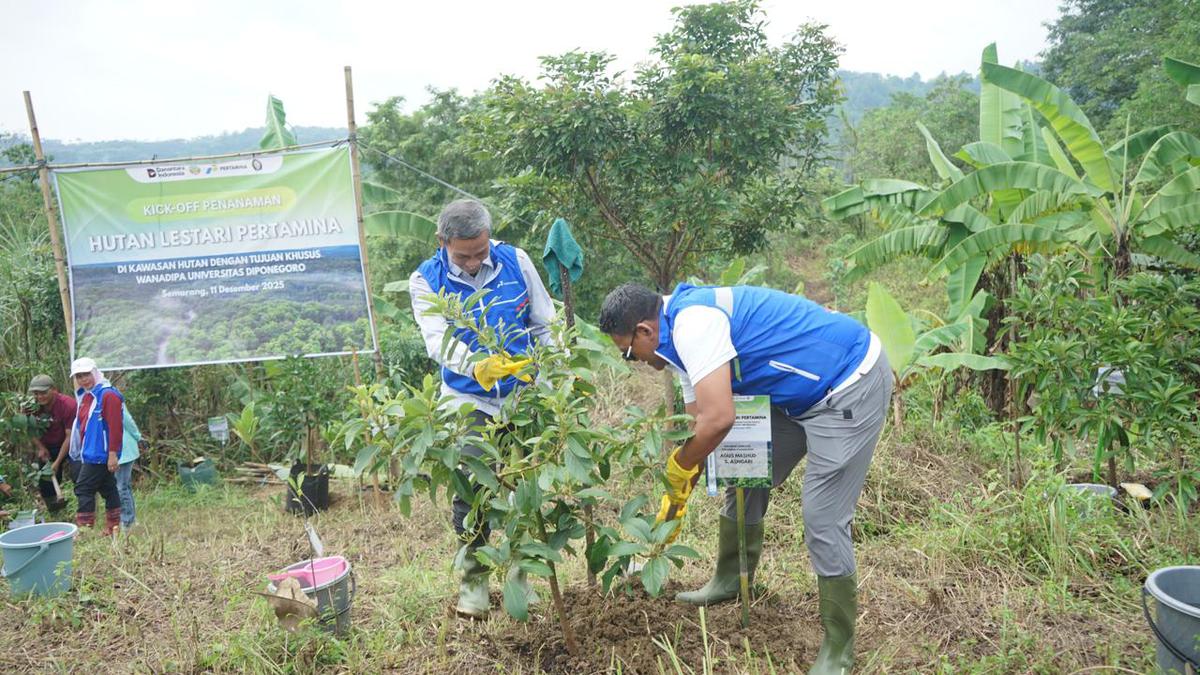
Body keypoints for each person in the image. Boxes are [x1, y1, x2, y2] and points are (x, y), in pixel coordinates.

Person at [599, 282, 892, 675]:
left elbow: (719, 419)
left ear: (645, 331)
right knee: (744, 467)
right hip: (797, 398)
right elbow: (698, 428)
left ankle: (838, 649)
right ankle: (730, 580)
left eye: (628, 352)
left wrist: (680, 462)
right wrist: (674, 499)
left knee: (822, 517)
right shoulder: (678, 344)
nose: (630, 361)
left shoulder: (694, 326)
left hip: (847, 384)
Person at [408, 199, 555, 618]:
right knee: (471, 487)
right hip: (467, 398)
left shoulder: (516, 260)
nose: (474, 262)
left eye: (480, 252)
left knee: (524, 486)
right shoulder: (425, 279)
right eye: (463, 255)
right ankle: (474, 580)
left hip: (523, 394)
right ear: (442, 242)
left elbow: (543, 322)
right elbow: (437, 341)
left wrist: (552, 374)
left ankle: (519, 577)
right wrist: (476, 365)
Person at [67, 357, 124, 535]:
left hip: (100, 453)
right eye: (79, 376)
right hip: (90, 452)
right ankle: (113, 528)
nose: (84, 379)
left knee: (83, 488)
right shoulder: (88, 395)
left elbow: (115, 427)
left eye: (87, 375)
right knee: (108, 488)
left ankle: (85, 530)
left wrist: (113, 454)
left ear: (95, 373)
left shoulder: (108, 395)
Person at [27, 374, 77, 513]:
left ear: (54, 389)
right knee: (46, 482)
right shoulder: (30, 407)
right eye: (36, 393)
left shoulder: (68, 405)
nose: (39, 396)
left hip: (71, 445)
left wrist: (58, 462)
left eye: (43, 392)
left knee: (79, 477)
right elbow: (29, 429)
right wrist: (40, 447)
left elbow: (70, 436)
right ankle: (56, 513)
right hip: (48, 446)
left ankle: (84, 512)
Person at [115, 403, 143, 532]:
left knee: (121, 487)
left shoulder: (113, 398)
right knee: (124, 486)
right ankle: (130, 518)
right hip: (115, 450)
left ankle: (127, 521)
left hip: (124, 449)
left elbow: (127, 420)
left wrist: (138, 436)